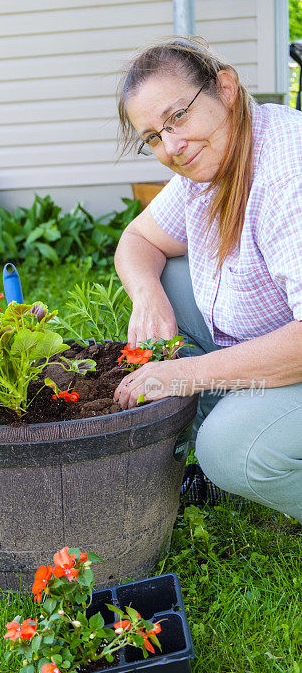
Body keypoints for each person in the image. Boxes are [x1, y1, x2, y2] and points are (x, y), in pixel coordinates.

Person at [113, 37, 302, 520]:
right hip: (278, 336)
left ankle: (249, 443)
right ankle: (249, 415)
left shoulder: (287, 176)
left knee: (228, 451)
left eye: (178, 117)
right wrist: (147, 296)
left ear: (226, 88)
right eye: (153, 136)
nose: (171, 146)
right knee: (168, 280)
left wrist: (181, 374)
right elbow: (137, 240)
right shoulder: (210, 165)